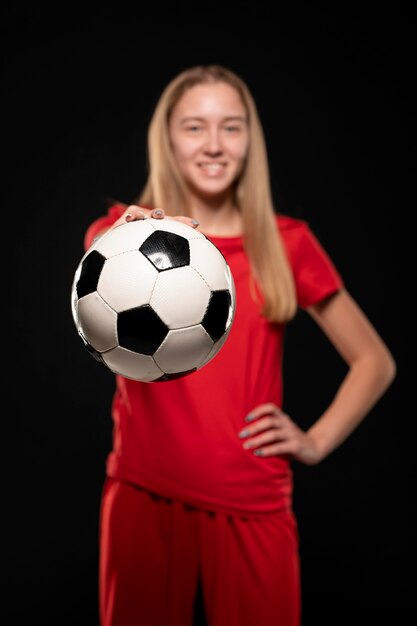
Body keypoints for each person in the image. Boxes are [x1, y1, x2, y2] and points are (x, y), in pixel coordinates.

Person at [83, 65, 396, 626]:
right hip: (144, 490)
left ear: (251, 141)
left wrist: (316, 441)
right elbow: (95, 276)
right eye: (194, 127)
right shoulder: (116, 238)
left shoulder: (286, 243)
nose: (213, 144)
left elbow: (374, 361)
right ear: (168, 138)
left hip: (254, 499)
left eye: (231, 127)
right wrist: (123, 242)